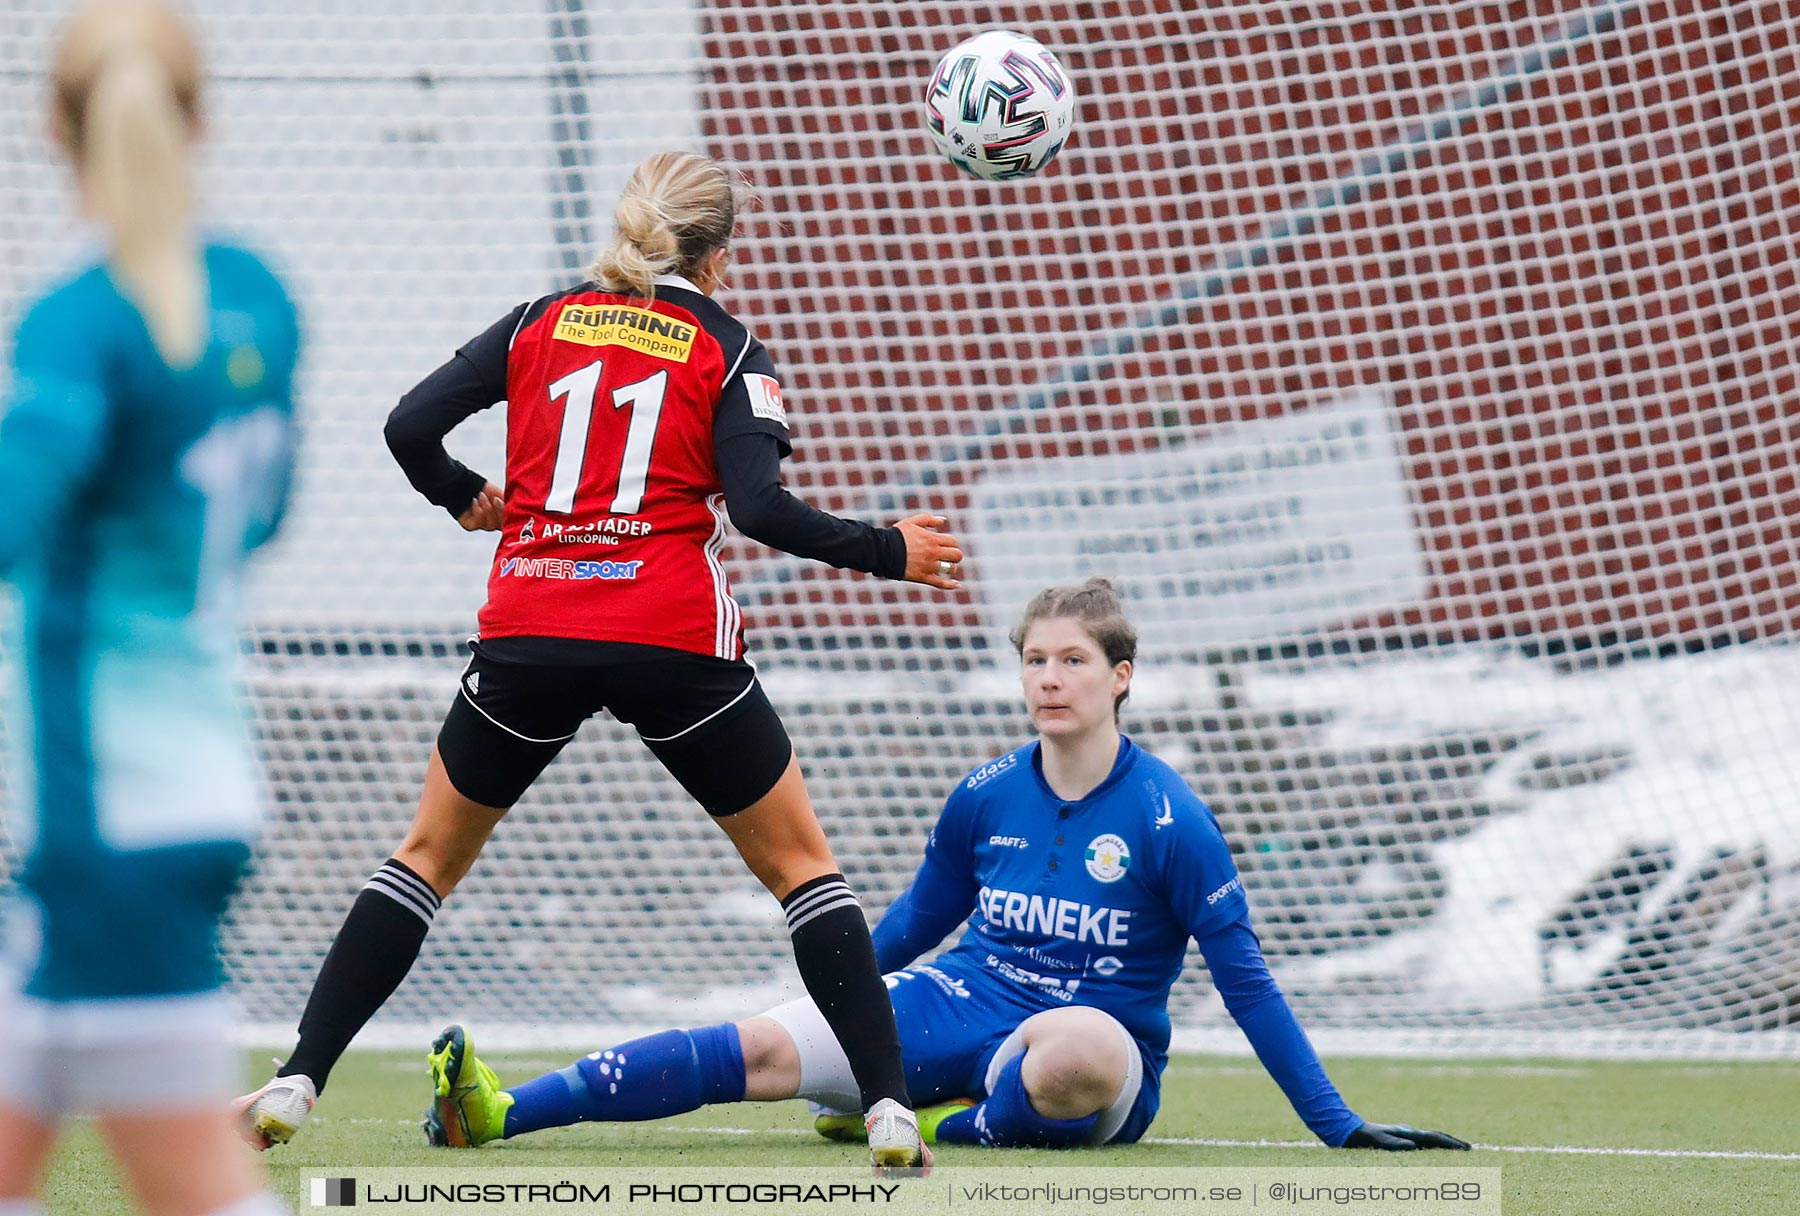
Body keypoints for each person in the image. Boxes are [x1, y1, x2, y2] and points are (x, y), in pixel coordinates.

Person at [236, 151, 960, 1173]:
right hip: (668, 637)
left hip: (531, 625)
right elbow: (757, 510)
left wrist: (461, 494)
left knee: (426, 859)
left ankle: (297, 1077)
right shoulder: (730, 345)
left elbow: (407, 424)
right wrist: (890, 548)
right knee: (802, 870)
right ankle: (887, 1109)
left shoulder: (541, 318)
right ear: (716, 255)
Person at [421, 579, 1470, 1155]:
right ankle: (505, 1109)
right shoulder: (983, 793)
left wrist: (1338, 1126)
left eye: (1073, 661)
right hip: (959, 999)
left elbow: (1246, 983)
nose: (1049, 678)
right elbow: (911, 926)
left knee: (1081, 1054)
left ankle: (952, 1126)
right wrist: (827, 1011)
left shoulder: (1171, 817)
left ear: (1122, 677)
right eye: (1035, 659)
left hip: (1088, 1053)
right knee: (748, 1050)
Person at [0, 4, 302, 1215]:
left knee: (199, 1191)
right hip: (192, 793)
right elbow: (267, 514)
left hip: (105, 820)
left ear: (52, 129)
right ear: (201, 119)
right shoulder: (260, 300)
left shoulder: (80, 323)